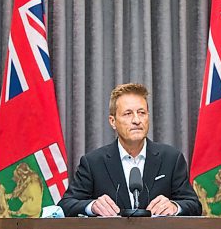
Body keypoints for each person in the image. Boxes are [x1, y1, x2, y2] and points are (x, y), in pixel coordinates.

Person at [58, 83, 202, 217]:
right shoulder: (93, 162)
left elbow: (194, 205)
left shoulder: (171, 159)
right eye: (128, 114)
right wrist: (92, 206)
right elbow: (66, 205)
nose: (136, 120)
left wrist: (175, 206)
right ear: (112, 121)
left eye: (141, 113)